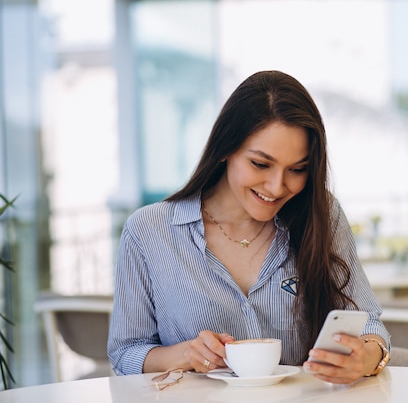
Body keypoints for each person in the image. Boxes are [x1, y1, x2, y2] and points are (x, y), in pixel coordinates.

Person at [107, 70, 390, 384]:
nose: (277, 186)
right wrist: (188, 354)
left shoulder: (321, 215)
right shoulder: (149, 231)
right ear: (226, 148)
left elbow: (371, 327)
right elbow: (126, 354)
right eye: (260, 164)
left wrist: (366, 356)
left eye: (297, 169)